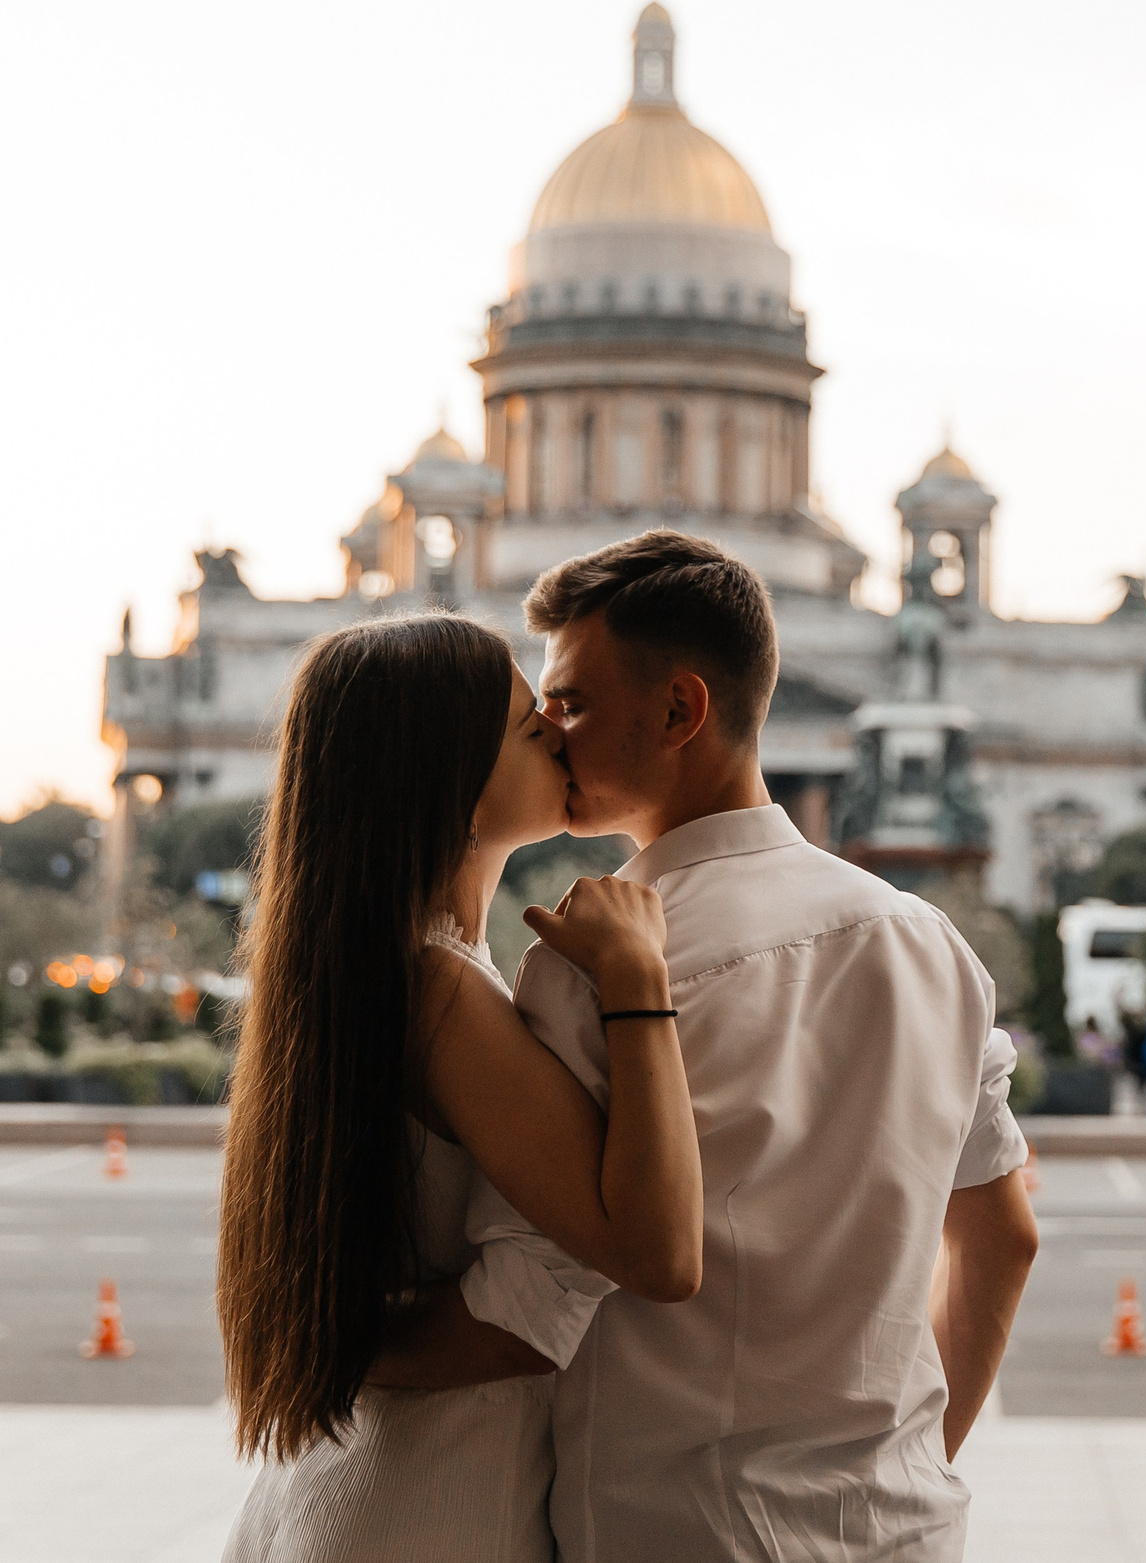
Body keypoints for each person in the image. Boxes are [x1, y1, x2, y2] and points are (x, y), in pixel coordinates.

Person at [386, 530, 1039, 1563]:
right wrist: (917, 1462)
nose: (551, 734)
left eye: (573, 703)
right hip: (904, 1532)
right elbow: (1005, 1239)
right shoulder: (931, 945)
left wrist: (318, 1360)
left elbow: (526, 1303)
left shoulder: (587, 963)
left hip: (681, 1532)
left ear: (680, 710)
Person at [217, 612, 704, 1563]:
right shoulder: (438, 985)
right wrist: (639, 983)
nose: (562, 733)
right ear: (452, 786)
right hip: (425, 1508)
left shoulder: (383, 968)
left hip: (349, 1492)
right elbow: (661, 1252)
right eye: (533, 726)